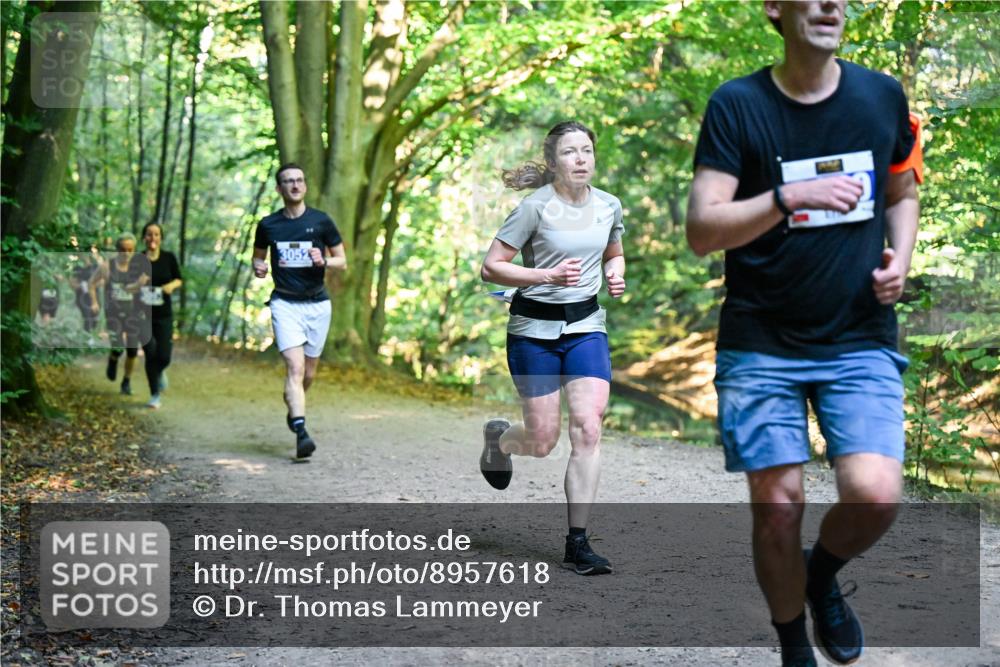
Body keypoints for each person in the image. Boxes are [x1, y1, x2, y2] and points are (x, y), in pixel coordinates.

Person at [686, 2, 922, 665]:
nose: (828, 4)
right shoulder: (737, 106)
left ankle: (819, 575)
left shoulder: (881, 96)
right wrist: (788, 198)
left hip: (858, 333)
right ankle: (794, 645)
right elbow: (703, 229)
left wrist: (900, 256)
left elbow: (901, 191)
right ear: (775, 8)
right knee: (779, 506)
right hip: (760, 338)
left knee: (876, 495)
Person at [479, 121, 626, 576]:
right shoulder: (534, 208)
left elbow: (613, 251)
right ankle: (500, 442)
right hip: (532, 330)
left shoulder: (608, 205)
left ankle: (577, 543)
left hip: (586, 327)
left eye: (586, 150)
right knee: (542, 441)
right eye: (570, 152)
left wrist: (617, 273)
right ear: (553, 162)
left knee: (588, 427)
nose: (580, 159)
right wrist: (545, 276)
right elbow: (491, 268)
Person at [252, 163, 347, 459]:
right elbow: (257, 259)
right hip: (285, 303)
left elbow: (342, 260)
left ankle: (294, 407)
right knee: (294, 368)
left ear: (304, 186)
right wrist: (258, 267)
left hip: (318, 304)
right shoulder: (268, 225)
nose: (294, 185)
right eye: (288, 181)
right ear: (279, 189)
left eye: (299, 180)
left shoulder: (321, 222)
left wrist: (324, 261)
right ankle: (301, 430)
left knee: (308, 374)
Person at [139, 222, 183, 409]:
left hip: (164, 314)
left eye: (156, 234)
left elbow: (178, 279)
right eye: (149, 234)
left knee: (164, 356)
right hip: (142, 314)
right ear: (144, 238)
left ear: (161, 238)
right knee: (150, 353)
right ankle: (154, 394)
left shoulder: (168, 258)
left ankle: (160, 371)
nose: (153, 238)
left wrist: (170, 286)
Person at [101, 232, 147, 396]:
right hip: (113, 314)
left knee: (133, 350)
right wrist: (93, 302)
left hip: (133, 314)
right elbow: (94, 284)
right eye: (122, 249)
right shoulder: (108, 265)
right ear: (117, 249)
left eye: (130, 249)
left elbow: (144, 290)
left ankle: (126, 381)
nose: (126, 253)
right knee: (119, 347)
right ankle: (113, 359)